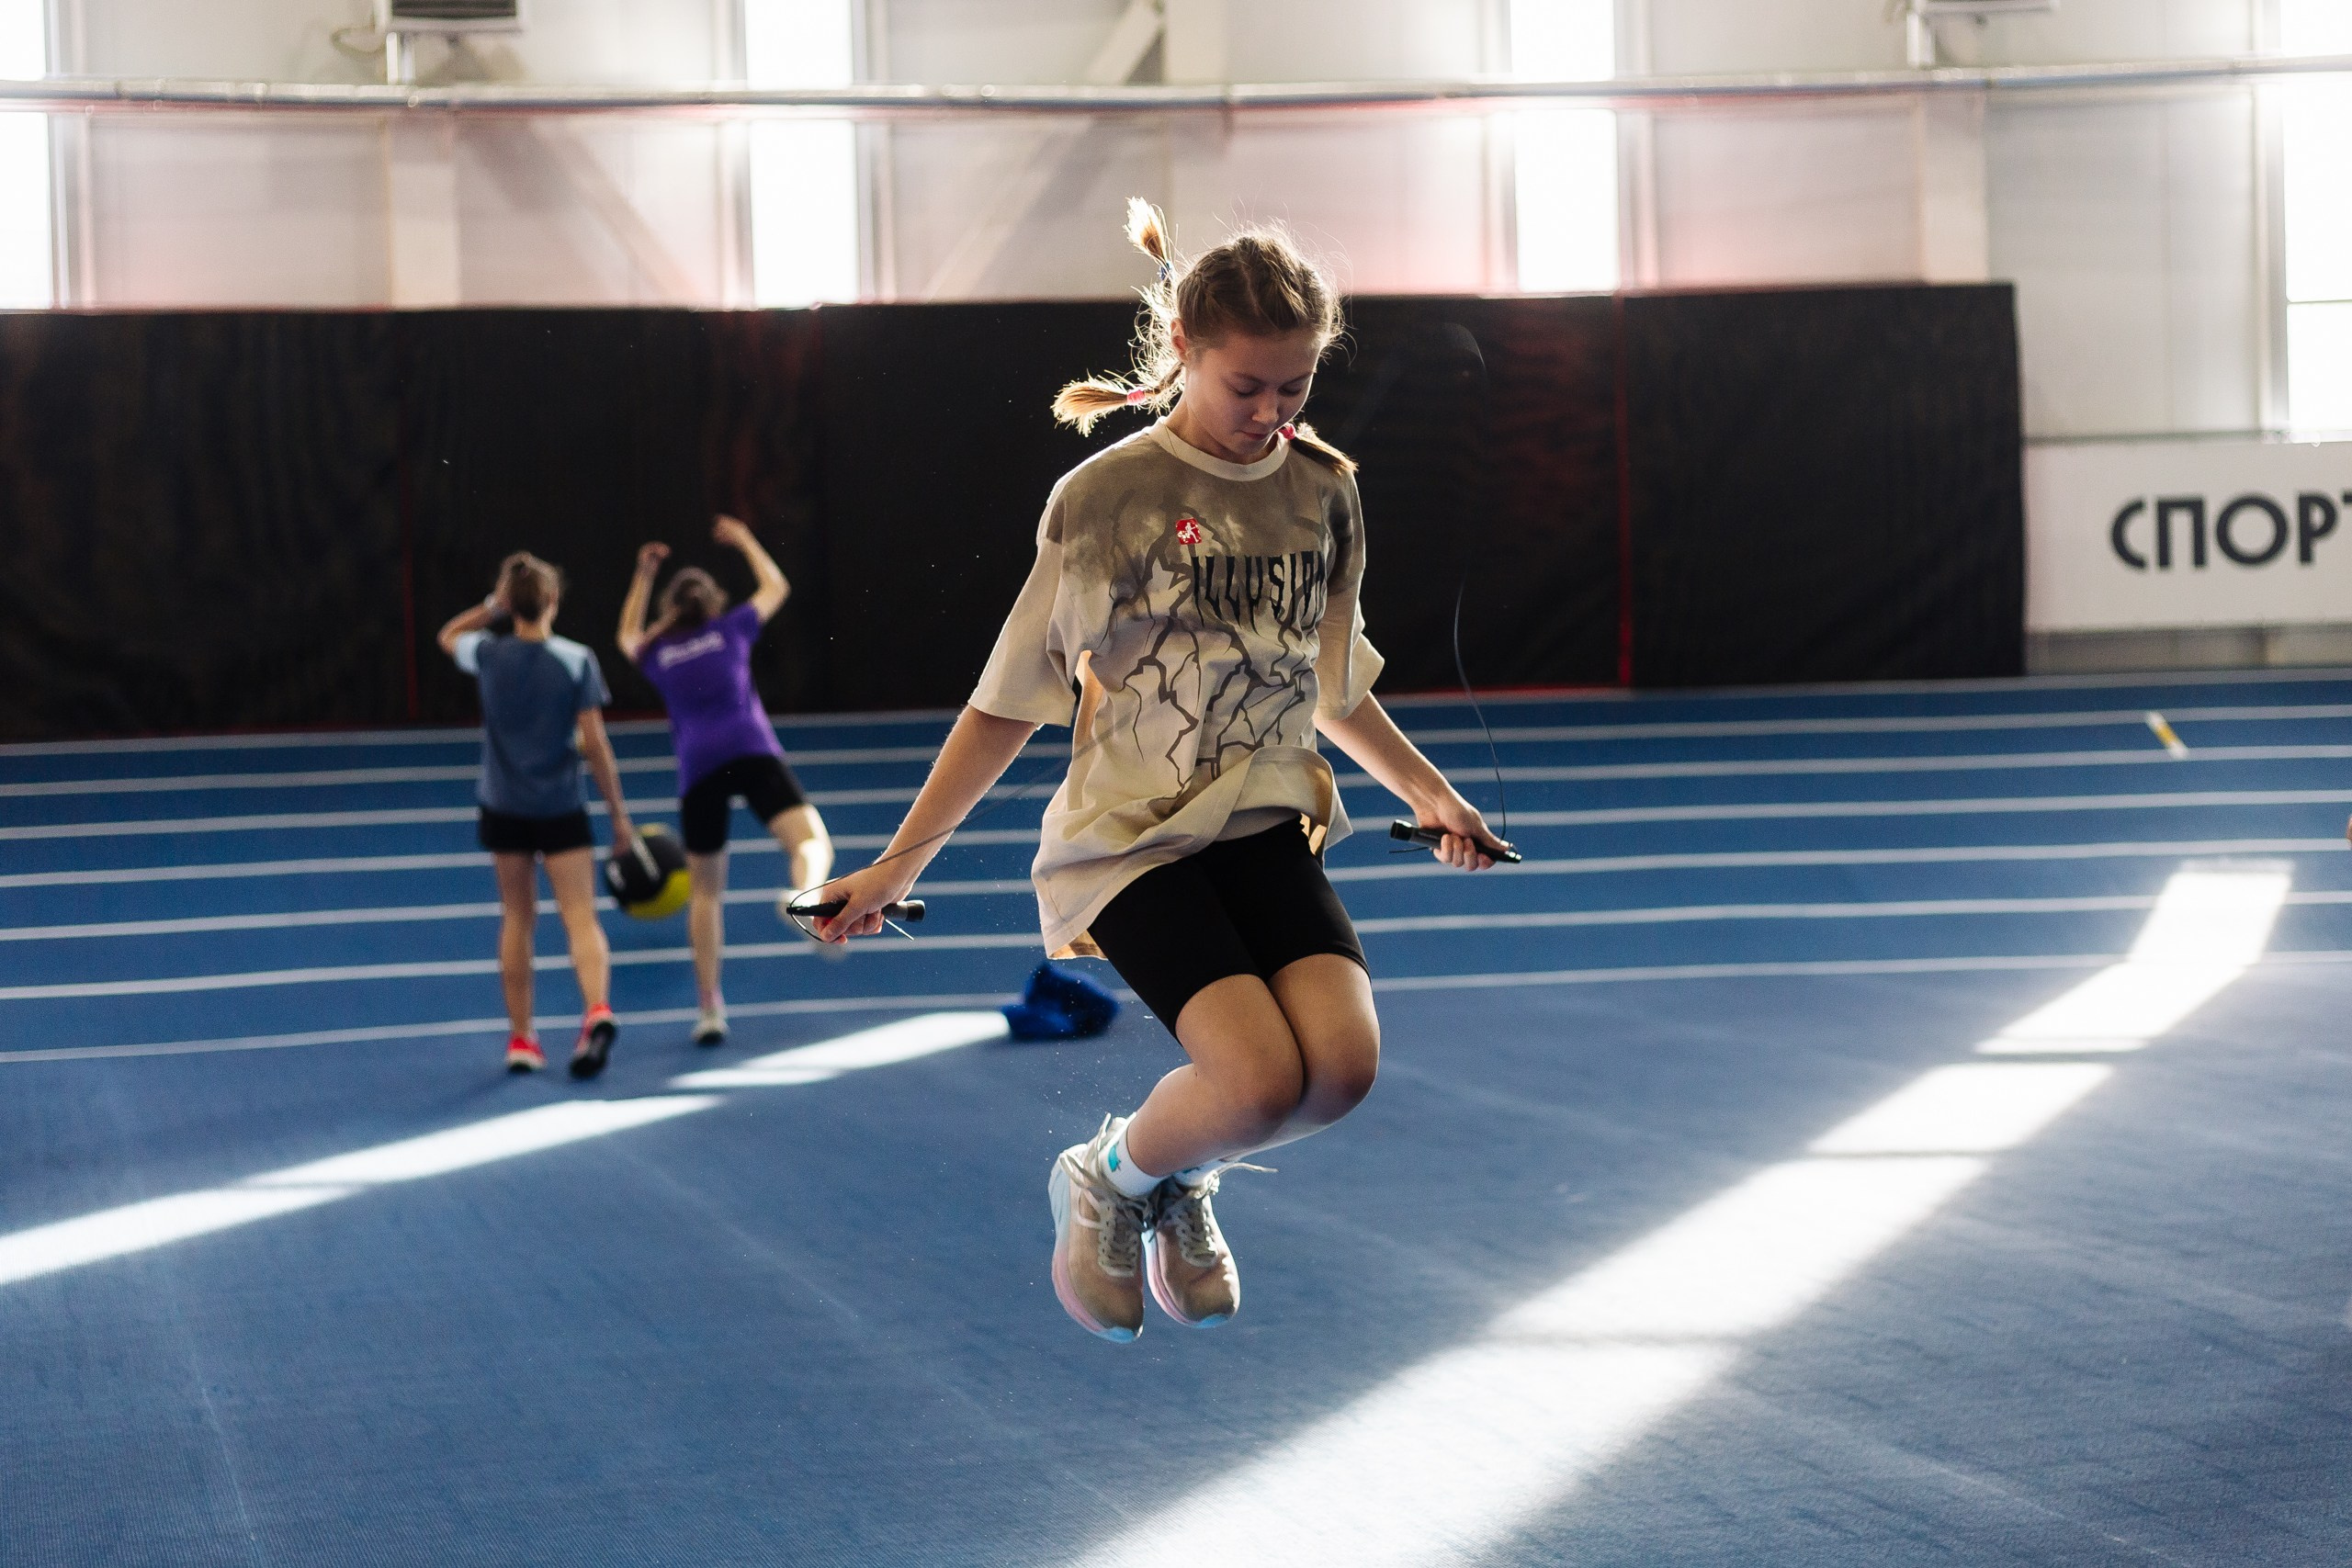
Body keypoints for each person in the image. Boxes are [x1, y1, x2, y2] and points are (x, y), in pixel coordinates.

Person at [813, 201, 1508, 1342]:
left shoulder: (1323, 488)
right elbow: (1004, 704)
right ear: (1184, 346)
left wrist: (1431, 794)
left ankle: (1170, 1178)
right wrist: (893, 866)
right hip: (1132, 842)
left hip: (1266, 825)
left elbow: (1331, 684)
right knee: (1250, 1083)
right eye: (1249, 388)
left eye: (1296, 388)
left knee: (1337, 1072)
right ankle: (1106, 1176)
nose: (1273, 414)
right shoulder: (1107, 502)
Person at [618, 515, 833, 1048]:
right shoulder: (732, 628)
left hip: (699, 767)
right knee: (808, 839)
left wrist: (644, 577)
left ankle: (710, 1008)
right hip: (751, 749)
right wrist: (743, 541)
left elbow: (626, 636)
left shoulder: (659, 652)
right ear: (713, 603)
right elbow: (777, 586)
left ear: (672, 609)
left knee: (706, 895)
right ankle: (804, 892)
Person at [436, 552, 636, 1078]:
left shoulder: (488, 653)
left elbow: (447, 634)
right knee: (580, 917)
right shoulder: (575, 660)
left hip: (504, 807)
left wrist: (490, 607)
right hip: (562, 808)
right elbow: (596, 744)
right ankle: (596, 1010)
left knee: (518, 919)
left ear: (510, 604)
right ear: (553, 600)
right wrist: (618, 816)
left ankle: (523, 1039)